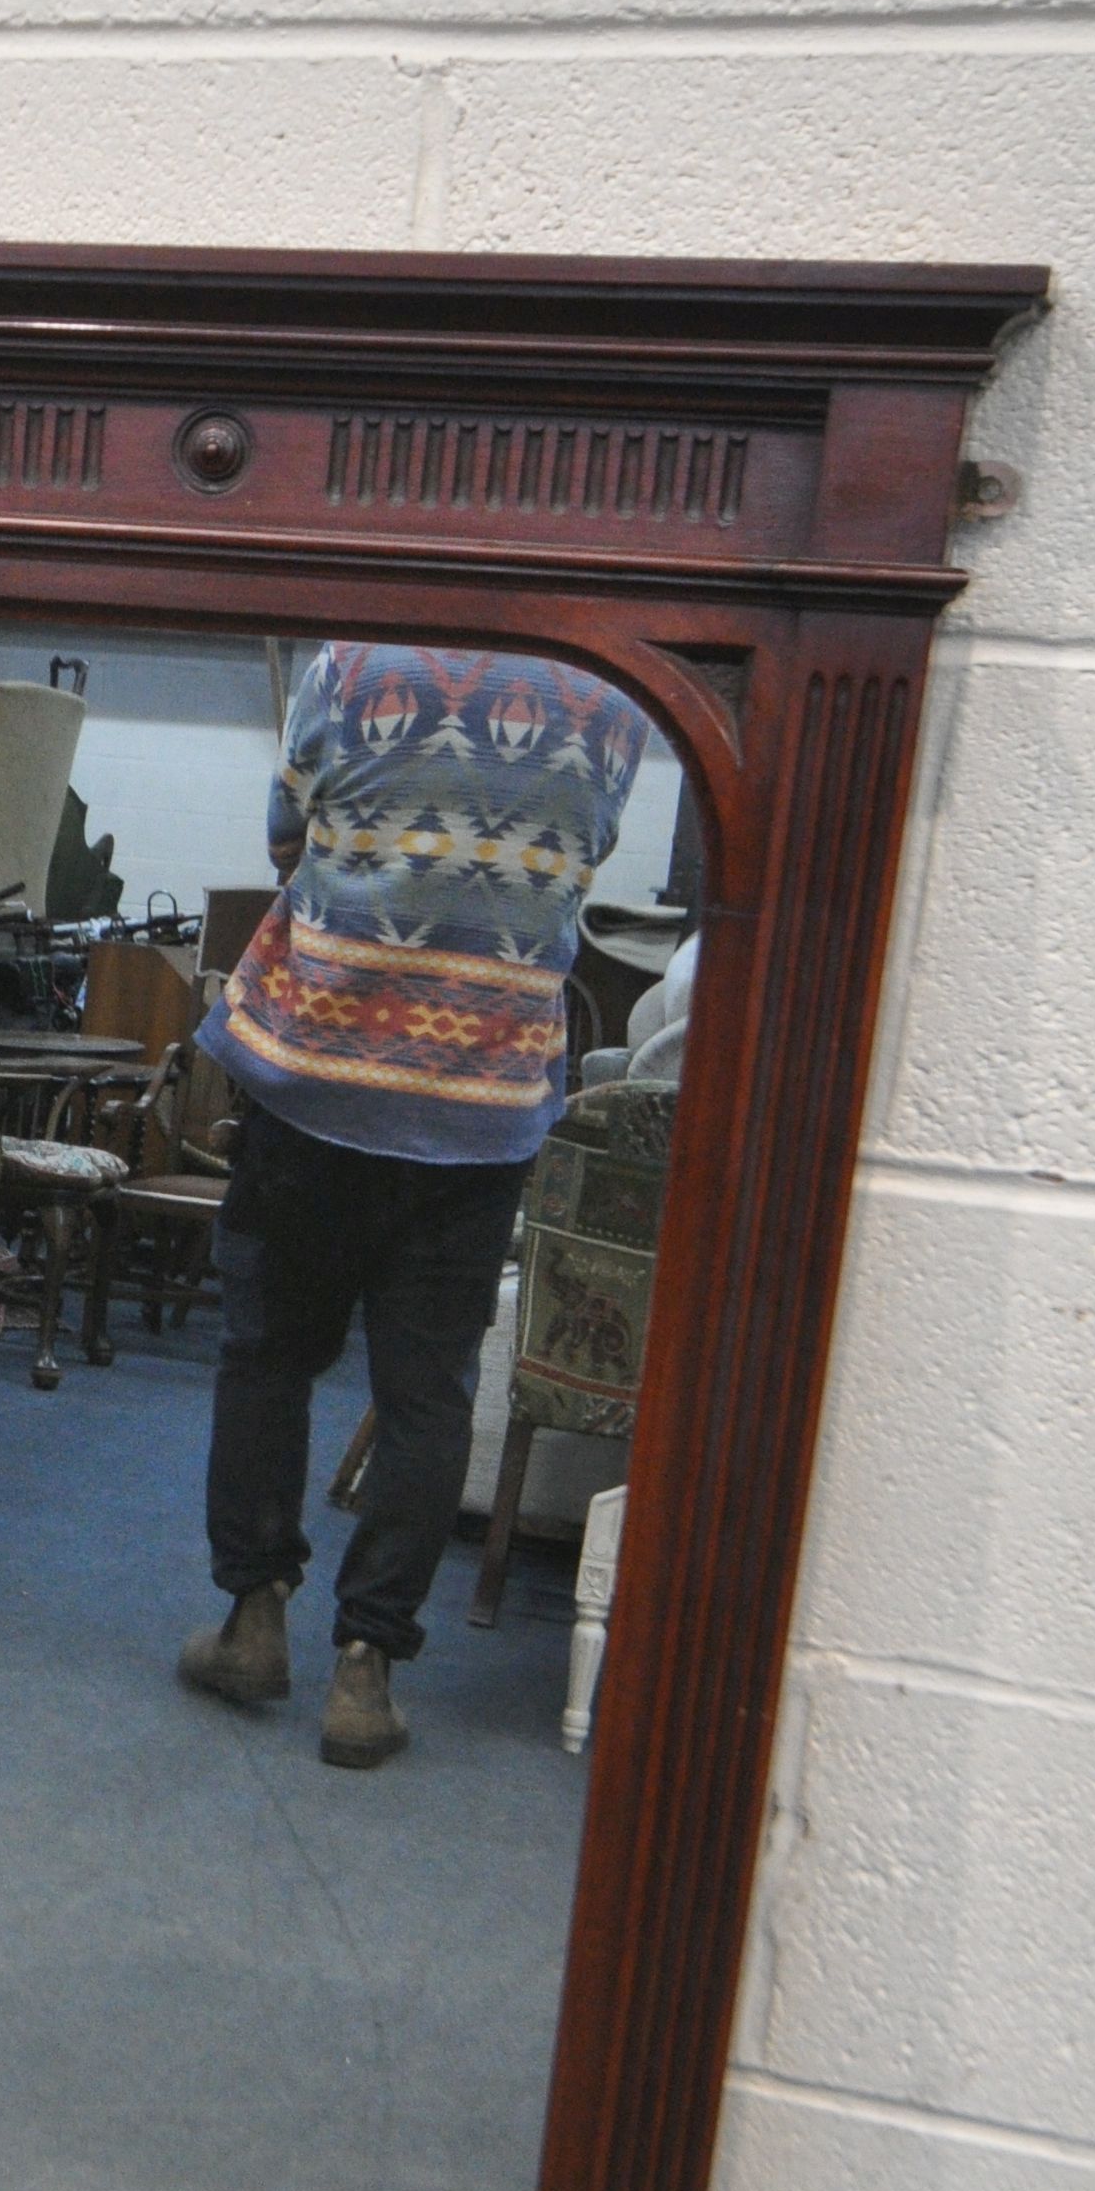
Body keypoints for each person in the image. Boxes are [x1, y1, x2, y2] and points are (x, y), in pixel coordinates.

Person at [179, 640, 652, 1768]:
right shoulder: (611, 695)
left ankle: (252, 1621)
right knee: (426, 1395)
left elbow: (283, 838)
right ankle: (365, 1670)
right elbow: (585, 859)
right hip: (480, 1103)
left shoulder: (350, 664)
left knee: (266, 1358)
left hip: (317, 1081)